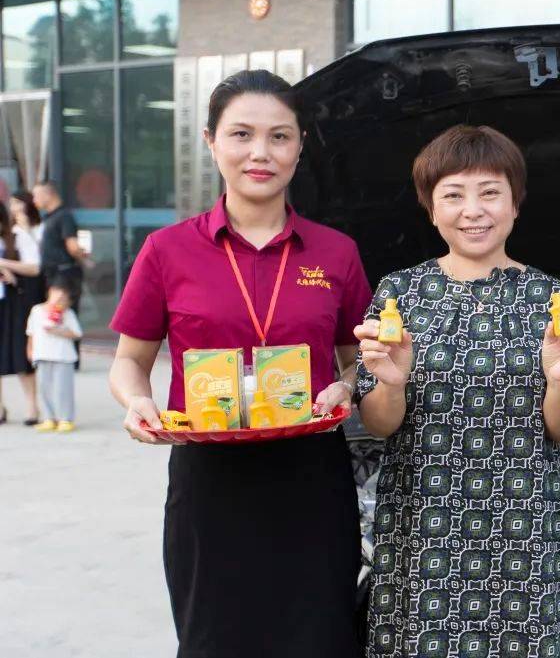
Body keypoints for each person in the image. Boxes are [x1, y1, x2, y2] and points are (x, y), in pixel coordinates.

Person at [108, 70, 372, 658]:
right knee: (214, 642)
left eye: (279, 136)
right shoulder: (167, 250)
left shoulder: (336, 252)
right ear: (211, 141)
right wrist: (137, 400)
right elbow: (129, 359)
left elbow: (358, 361)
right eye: (242, 134)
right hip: (209, 485)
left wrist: (349, 387)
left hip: (311, 483)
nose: (261, 153)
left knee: (319, 641)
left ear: (300, 146)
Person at [354, 124, 560, 657]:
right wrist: (392, 384)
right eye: (453, 195)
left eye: (490, 192)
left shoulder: (551, 296)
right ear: (431, 209)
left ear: (515, 203)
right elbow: (378, 424)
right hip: (424, 531)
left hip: (523, 530)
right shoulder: (399, 293)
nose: (473, 210)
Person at [3, 191, 46, 425]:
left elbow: (35, 267)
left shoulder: (22, 234)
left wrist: (4, 264)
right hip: (9, 298)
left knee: (21, 353)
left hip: (18, 300)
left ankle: (32, 407)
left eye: (18, 204)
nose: (14, 208)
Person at [27, 280, 81, 432]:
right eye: (58, 294)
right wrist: (30, 350)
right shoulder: (37, 310)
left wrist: (59, 329)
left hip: (63, 356)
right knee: (44, 388)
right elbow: (31, 333)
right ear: (50, 292)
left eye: (64, 297)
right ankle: (49, 418)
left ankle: (65, 419)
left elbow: (77, 333)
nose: (60, 299)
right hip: (42, 355)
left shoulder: (67, 313)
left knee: (63, 389)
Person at [32, 181, 91, 310]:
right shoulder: (48, 218)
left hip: (63, 276)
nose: (34, 200)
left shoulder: (64, 216)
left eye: (36, 195)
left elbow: (72, 246)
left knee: (59, 313)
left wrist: (85, 260)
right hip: (51, 275)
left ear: (48, 194)